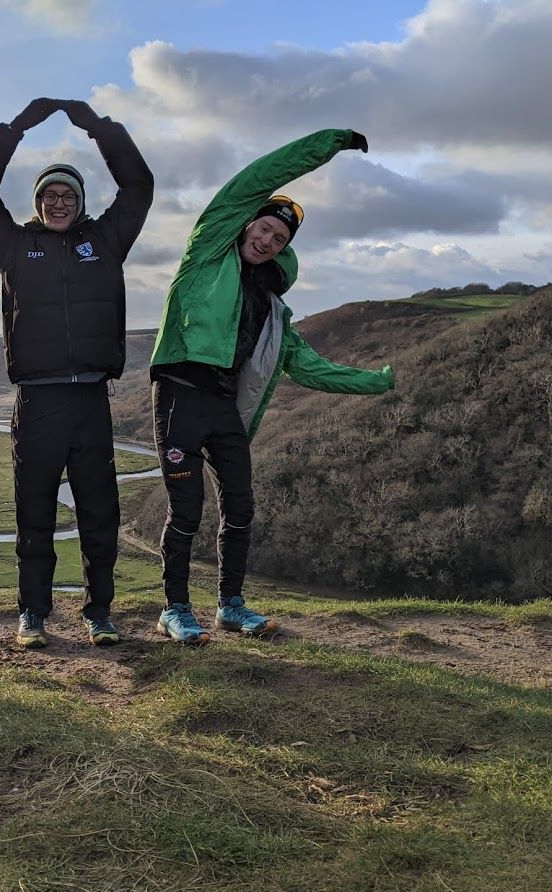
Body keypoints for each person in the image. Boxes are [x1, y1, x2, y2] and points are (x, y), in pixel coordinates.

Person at [149, 129, 395, 646]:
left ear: (284, 252)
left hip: (223, 408)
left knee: (241, 506)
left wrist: (379, 383)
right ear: (246, 223)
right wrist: (328, 145)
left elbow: (311, 368)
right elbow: (256, 179)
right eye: (263, 229)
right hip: (179, 393)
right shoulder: (207, 251)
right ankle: (174, 609)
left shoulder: (274, 314)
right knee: (186, 510)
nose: (265, 241)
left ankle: (230, 606)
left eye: (277, 240)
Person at [0, 97, 153, 649]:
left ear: (81, 202)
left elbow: (139, 185)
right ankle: (34, 613)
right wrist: (15, 127)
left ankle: (99, 613)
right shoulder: (15, 247)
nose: (59, 202)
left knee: (100, 512)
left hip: (92, 399)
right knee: (35, 512)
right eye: (49, 195)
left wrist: (98, 128)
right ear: (38, 203)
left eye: (68, 194)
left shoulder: (107, 241)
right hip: (38, 402)